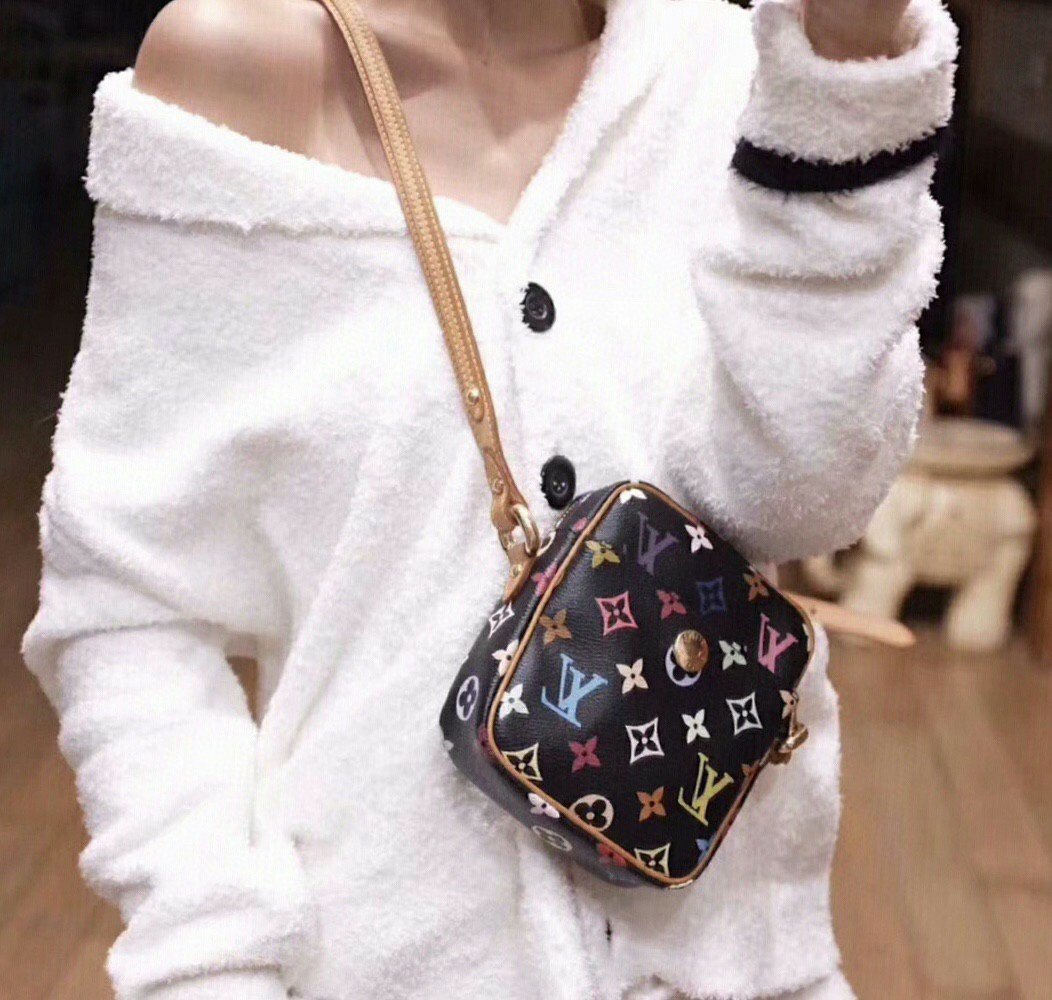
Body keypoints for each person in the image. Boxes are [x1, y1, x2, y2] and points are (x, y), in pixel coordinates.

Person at [23, 1, 956, 998]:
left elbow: (800, 502)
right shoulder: (239, 64)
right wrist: (205, 965)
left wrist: (846, 59)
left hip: (734, 960)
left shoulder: (733, 67)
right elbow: (131, 601)